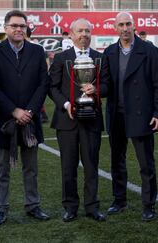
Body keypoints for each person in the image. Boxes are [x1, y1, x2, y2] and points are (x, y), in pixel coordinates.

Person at [0, 10, 50, 225]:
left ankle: (33, 205)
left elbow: (43, 84)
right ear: (6, 28)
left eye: (22, 26)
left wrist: (29, 111)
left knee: (31, 168)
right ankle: (1, 208)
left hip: (30, 120)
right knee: (2, 169)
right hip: (6, 121)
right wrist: (14, 111)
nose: (19, 29)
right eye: (14, 26)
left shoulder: (37, 51)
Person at [100, 11, 158, 221]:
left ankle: (149, 204)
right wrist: (91, 90)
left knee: (146, 163)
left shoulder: (149, 51)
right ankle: (119, 200)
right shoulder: (109, 52)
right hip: (116, 114)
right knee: (116, 161)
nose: (125, 28)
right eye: (121, 24)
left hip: (142, 115)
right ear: (115, 28)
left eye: (128, 24)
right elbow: (105, 84)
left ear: (134, 25)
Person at [49, 18, 106, 222]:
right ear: (71, 34)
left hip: (92, 120)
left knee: (91, 165)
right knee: (68, 166)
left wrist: (96, 90)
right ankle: (70, 207)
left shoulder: (100, 57)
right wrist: (66, 105)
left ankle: (92, 206)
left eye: (87, 31)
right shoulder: (60, 58)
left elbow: (108, 85)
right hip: (67, 121)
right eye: (80, 31)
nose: (84, 34)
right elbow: (52, 87)